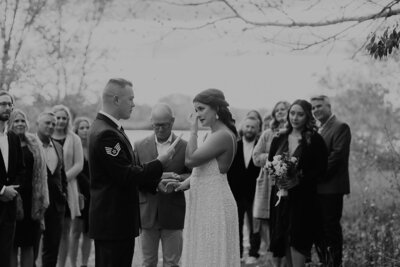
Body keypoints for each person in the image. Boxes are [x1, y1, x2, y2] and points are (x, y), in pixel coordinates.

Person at [88, 78, 177, 267]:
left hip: (116, 223)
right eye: (130, 99)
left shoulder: (110, 128)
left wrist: (154, 182)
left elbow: (123, 172)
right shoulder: (106, 133)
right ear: (116, 99)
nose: (134, 104)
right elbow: (125, 175)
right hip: (113, 223)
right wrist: (159, 163)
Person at [172, 88, 240, 267]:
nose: (197, 115)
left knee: (211, 258)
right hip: (205, 204)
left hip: (215, 206)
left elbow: (190, 160)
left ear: (216, 108)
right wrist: (183, 184)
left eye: (201, 109)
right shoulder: (211, 135)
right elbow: (205, 172)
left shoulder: (222, 135)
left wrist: (192, 131)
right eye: (195, 110)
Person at [267, 100, 327, 267]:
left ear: (307, 116)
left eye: (300, 114)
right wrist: (278, 178)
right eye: (292, 113)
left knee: (298, 239)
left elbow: (321, 170)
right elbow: (270, 163)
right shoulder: (279, 138)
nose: (295, 117)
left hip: (304, 200)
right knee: (281, 237)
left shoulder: (314, 140)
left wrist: (298, 180)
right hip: (280, 198)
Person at [134, 103, 190, 267]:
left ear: (172, 122)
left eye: (164, 125)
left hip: (173, 211)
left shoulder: (185, 146)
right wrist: (157, 179)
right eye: (156, 125)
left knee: (172, 263)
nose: (159, 129)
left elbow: (193, 174)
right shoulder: (138, 145)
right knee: (148, 262)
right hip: (147, 212)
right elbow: (134, 177)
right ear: (151, 122)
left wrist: (176, 179)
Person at [311, 95, 351, 267]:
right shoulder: (317, 129)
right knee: (317, 228)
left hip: (331, 187)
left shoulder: (340, 127)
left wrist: (314, 175)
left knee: (331, 229)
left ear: (329, 106)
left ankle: (335, 263)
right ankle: (323, 261)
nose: (315, 110)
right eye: (313, 108)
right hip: (316, 188)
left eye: (319, 106)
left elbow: (336, 157)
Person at [8, 109, 49, 267]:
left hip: (32, 200)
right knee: (11, 245)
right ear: (10, 123)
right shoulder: (6, 141)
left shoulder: (34, 142)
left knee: (28, 244)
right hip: (11, 199)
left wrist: (43, 200)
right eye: (16, 120)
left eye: (22, 120)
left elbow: (42, 174)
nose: (20, 123)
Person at [252, 101, 290, 266]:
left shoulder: (293, 133)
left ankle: (287, 257)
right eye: (278, 110)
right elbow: (255, 157)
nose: (281, 112)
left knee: (284, 220)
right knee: (266, 219)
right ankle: (273, 255)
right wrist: (273, 159)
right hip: (267, 181)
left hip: (286, 182)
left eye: (284, 109)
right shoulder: (268, 133)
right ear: (274, 114)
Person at [51, 104, 84, 267]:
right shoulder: (45, 136)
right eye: (58, 117)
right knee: (46, 232)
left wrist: (62, 179)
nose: (61, 121)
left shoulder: (74, 138)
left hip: (68, 189)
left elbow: (79, 165)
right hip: (47, 189)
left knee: (65, 231)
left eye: (64, 118)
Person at [227, 116, 261, 264]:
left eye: (253, 127)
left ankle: (254, 253)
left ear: (258, 129)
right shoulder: (234, 145)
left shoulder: (261, 147)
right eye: (247, 126)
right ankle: (238, 253)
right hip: (236, 193)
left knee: (255, 225)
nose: (249, 130)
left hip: (255, 194)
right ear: (242, 127)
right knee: (237, 224)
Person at [36, 111, 68, 267]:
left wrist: (64, 195)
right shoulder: (30, 144)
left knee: (52, 247)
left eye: (53, 124)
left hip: (56, 205)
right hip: (35, 204)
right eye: (47, 123)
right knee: (33, 247)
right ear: (38, 124)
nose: (51, 126)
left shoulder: (58, 145)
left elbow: (62, 175)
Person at [0, 91, 24, 267]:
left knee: (5, 256)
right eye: (3, 104)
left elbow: (20, 169)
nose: (7, 107)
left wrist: (12, 190)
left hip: (9, 207)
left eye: (10, 104)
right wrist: (1, 190)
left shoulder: (13, 138)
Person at [69, 117, 92, 267]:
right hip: (77, 193)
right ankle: (73, 264)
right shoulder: (73, 147)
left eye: (87, 127)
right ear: (76, 130)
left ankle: (84, 264)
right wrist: (76, 192)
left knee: (89, 233)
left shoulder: (94, 148)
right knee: (76, 231)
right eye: (81, 128)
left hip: (93, 194)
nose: (85, 130)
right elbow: (72, 173)